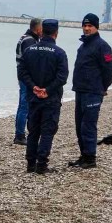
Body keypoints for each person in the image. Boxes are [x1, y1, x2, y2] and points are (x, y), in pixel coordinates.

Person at [17, 19, 68, 175]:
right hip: (50, 98)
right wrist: (47, 90)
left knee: (33, 130)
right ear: (56, 33)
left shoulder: (30, 50)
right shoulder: (59, 53)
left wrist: (33, 86)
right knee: (47, 130)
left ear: (42, 31)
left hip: (34, 96)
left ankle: (30, 163)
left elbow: (22, 72)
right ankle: (41, 164)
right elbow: (62, 77)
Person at [69, 13, 112, 169]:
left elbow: (109, 70)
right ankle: (84, 155)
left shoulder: (103, 46)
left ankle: (90, 158)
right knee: (79, 126)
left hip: (93, 92)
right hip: (80, 91)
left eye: (90, 26)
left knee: (88, 126)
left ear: (96, 27)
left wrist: (103, 88)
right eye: (85, 25)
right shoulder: (83, 46)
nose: (87, 28)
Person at [13, 18, 43, 145]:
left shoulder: (25, 38)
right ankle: (20, 135)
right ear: (37, 29)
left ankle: (20, 133)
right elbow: (32, 61)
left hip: (22, 76)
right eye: (41, 29)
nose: (43, 31)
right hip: (26, 77)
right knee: (25, 105)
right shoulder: (30, 41)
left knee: (23, 105)